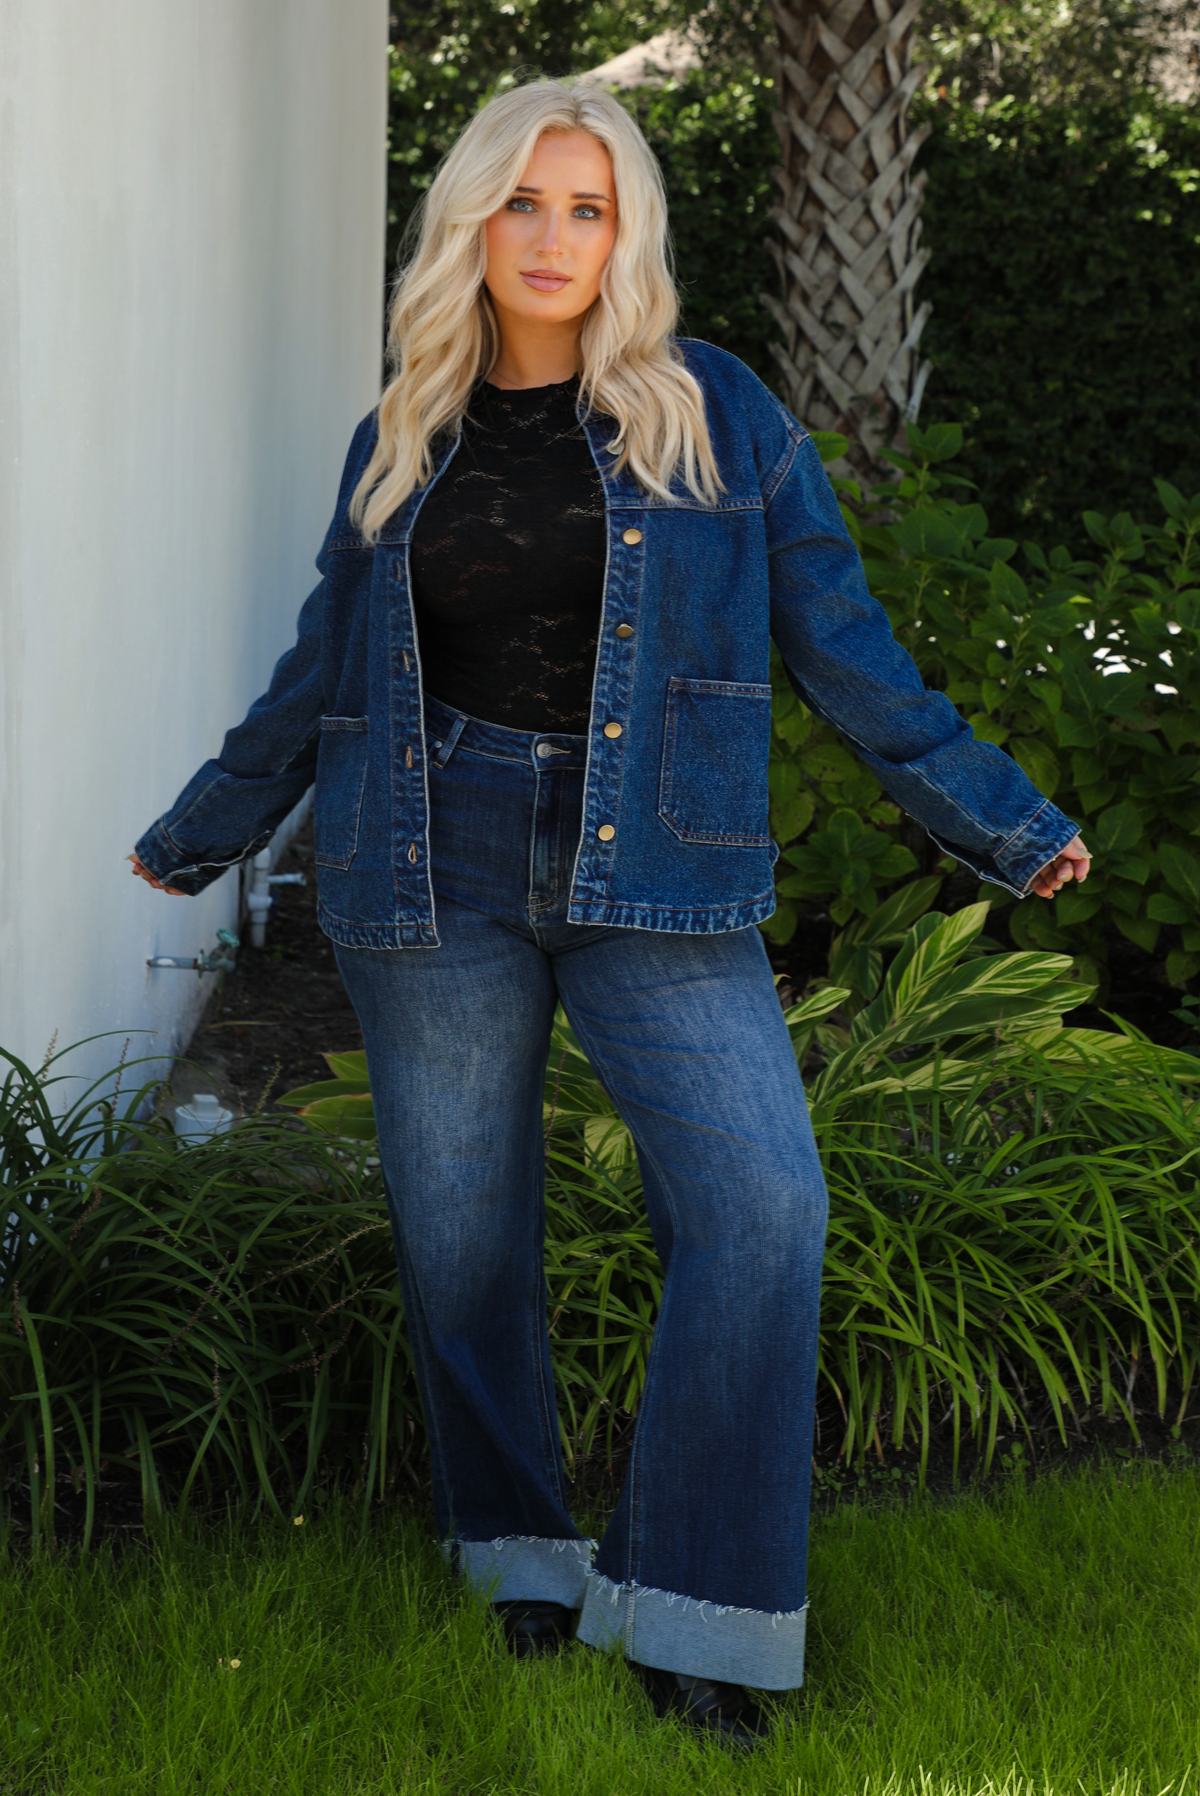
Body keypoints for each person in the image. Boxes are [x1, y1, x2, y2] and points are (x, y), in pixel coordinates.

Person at [131, 79, 1090, 1746]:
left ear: (629, 230)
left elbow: (847, 651)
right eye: (523, 205)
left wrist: (996, 820)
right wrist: (210, 826)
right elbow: (323, 665)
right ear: (469, 228)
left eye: (588, 208)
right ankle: (520, 1562)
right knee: (465, 1240)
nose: (556, 239)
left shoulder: (715, 412)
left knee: (761, 1209)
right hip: (425, 854)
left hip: (657, 863)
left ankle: (695, 1610)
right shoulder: (404, 431)